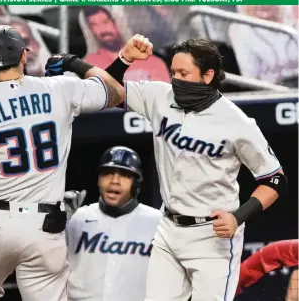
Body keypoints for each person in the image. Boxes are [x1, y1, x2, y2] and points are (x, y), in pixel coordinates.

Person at [0, 25, 141, 301]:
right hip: (45, 225)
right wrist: (73, 63)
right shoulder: (58, 89)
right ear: (23, 57)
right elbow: (114, 92)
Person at [46, 37, 287, 301]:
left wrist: (239, 216)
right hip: (169, 227)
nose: (176, 80)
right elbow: (110, 92)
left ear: (207, 76)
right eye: (173, 72)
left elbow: (274, 180)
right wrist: (91, 62)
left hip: (212, 235)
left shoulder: (237, 122)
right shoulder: (161, 96)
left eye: (184, 73)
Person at [66, 146, 162, 301]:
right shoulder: (77, 217)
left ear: (136, 184)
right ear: (98, 180)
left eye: (124, 175)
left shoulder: (157, 221)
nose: (114, 181)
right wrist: (57, 226)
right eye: (107, 173)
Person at [82, 6, 170, 82]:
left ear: (118, 23)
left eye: (105, 22)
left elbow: (163, 97)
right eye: (94, 25)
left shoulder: (152, 61)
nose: (102, 30)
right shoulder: (90, 64)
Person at [229, 5, 298, 84]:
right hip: (271, 90)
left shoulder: (293, 17)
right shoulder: (239, 29)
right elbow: (251, 78)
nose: (262, 4)